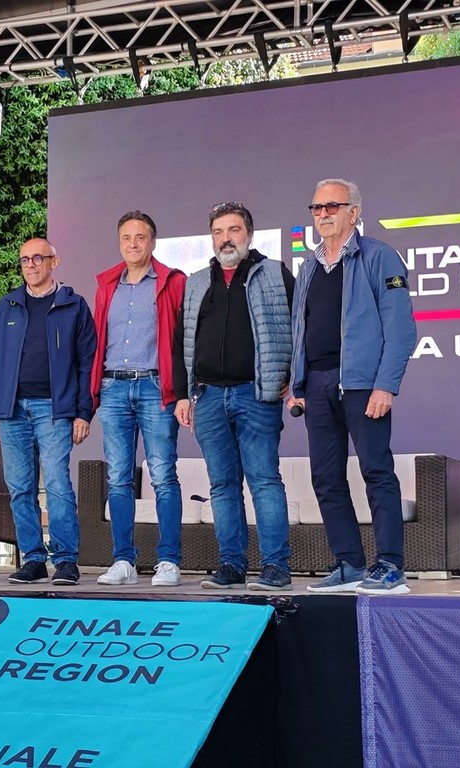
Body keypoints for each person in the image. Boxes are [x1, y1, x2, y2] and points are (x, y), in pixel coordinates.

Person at [288, 179, 417, 595]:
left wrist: (386, 385)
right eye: (317, 207)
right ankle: (348, 564)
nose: (323, 214)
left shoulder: (380, 257)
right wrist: (297, 383)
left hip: (362, 385)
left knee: (376, 471)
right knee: (326, 478)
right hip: (317, 384)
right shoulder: (308, 267)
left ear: (354, 213)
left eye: (333, 206)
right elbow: (300, 330)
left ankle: (390, 566)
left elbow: (401, 330)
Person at [173, 202, 294, 591]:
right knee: (222, 486)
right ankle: (231, 565)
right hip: (207, 397)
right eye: (218, 232)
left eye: (234, 230)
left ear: (249, 235)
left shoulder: (274, 273)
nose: (226, 238)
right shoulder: (196, 282)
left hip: (256, 394)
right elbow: (181, 341)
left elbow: (299, 327)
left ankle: (276, 567)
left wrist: (291, 376)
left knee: (264, 481)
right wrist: (183, 395)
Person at [0, 237, 96, 586]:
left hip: (55, 409)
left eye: (38, 258)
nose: (30, 265)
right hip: (11, 410)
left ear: (54, 262)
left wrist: (83, 412)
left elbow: (87, 363)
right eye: (25, 260)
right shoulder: (9, 305)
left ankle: (66, 560)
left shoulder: (74, 305)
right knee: (20, 488)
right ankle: (33, 559)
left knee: (58, 484)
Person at [91, 211, 186, 587]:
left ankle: (169, 561)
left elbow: (183, 340)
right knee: (118, 478)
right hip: (114, 388)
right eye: (127, 238)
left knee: (162, 475)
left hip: (155, 388)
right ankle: (123, 561)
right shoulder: (106, 285)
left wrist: (183, 390)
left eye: (140, 237)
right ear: (120, 243)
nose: (133, 244)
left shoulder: (171, 282)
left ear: (153, 242)